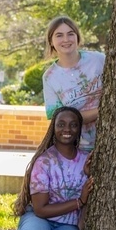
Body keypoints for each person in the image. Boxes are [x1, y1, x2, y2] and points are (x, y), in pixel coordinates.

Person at [13, 106, 94, 230]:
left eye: (73, 125)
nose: (67, 129)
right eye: (61, 124)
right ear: (53, 128)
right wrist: (79, 202)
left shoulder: (87, 160)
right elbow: (41, 210)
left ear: (79, 129)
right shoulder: (44, 162)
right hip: (39, 218)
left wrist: (87, 174)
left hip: (66, 223)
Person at [43, 15, 105, 152]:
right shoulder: (50, 78)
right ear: (51, 41)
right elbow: (60, 120)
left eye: (70, 34)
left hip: (114, 139)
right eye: (59, 35)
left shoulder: (99, 60)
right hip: (80, 148)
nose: (66, 39)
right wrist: (104, 110)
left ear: (77, 37)